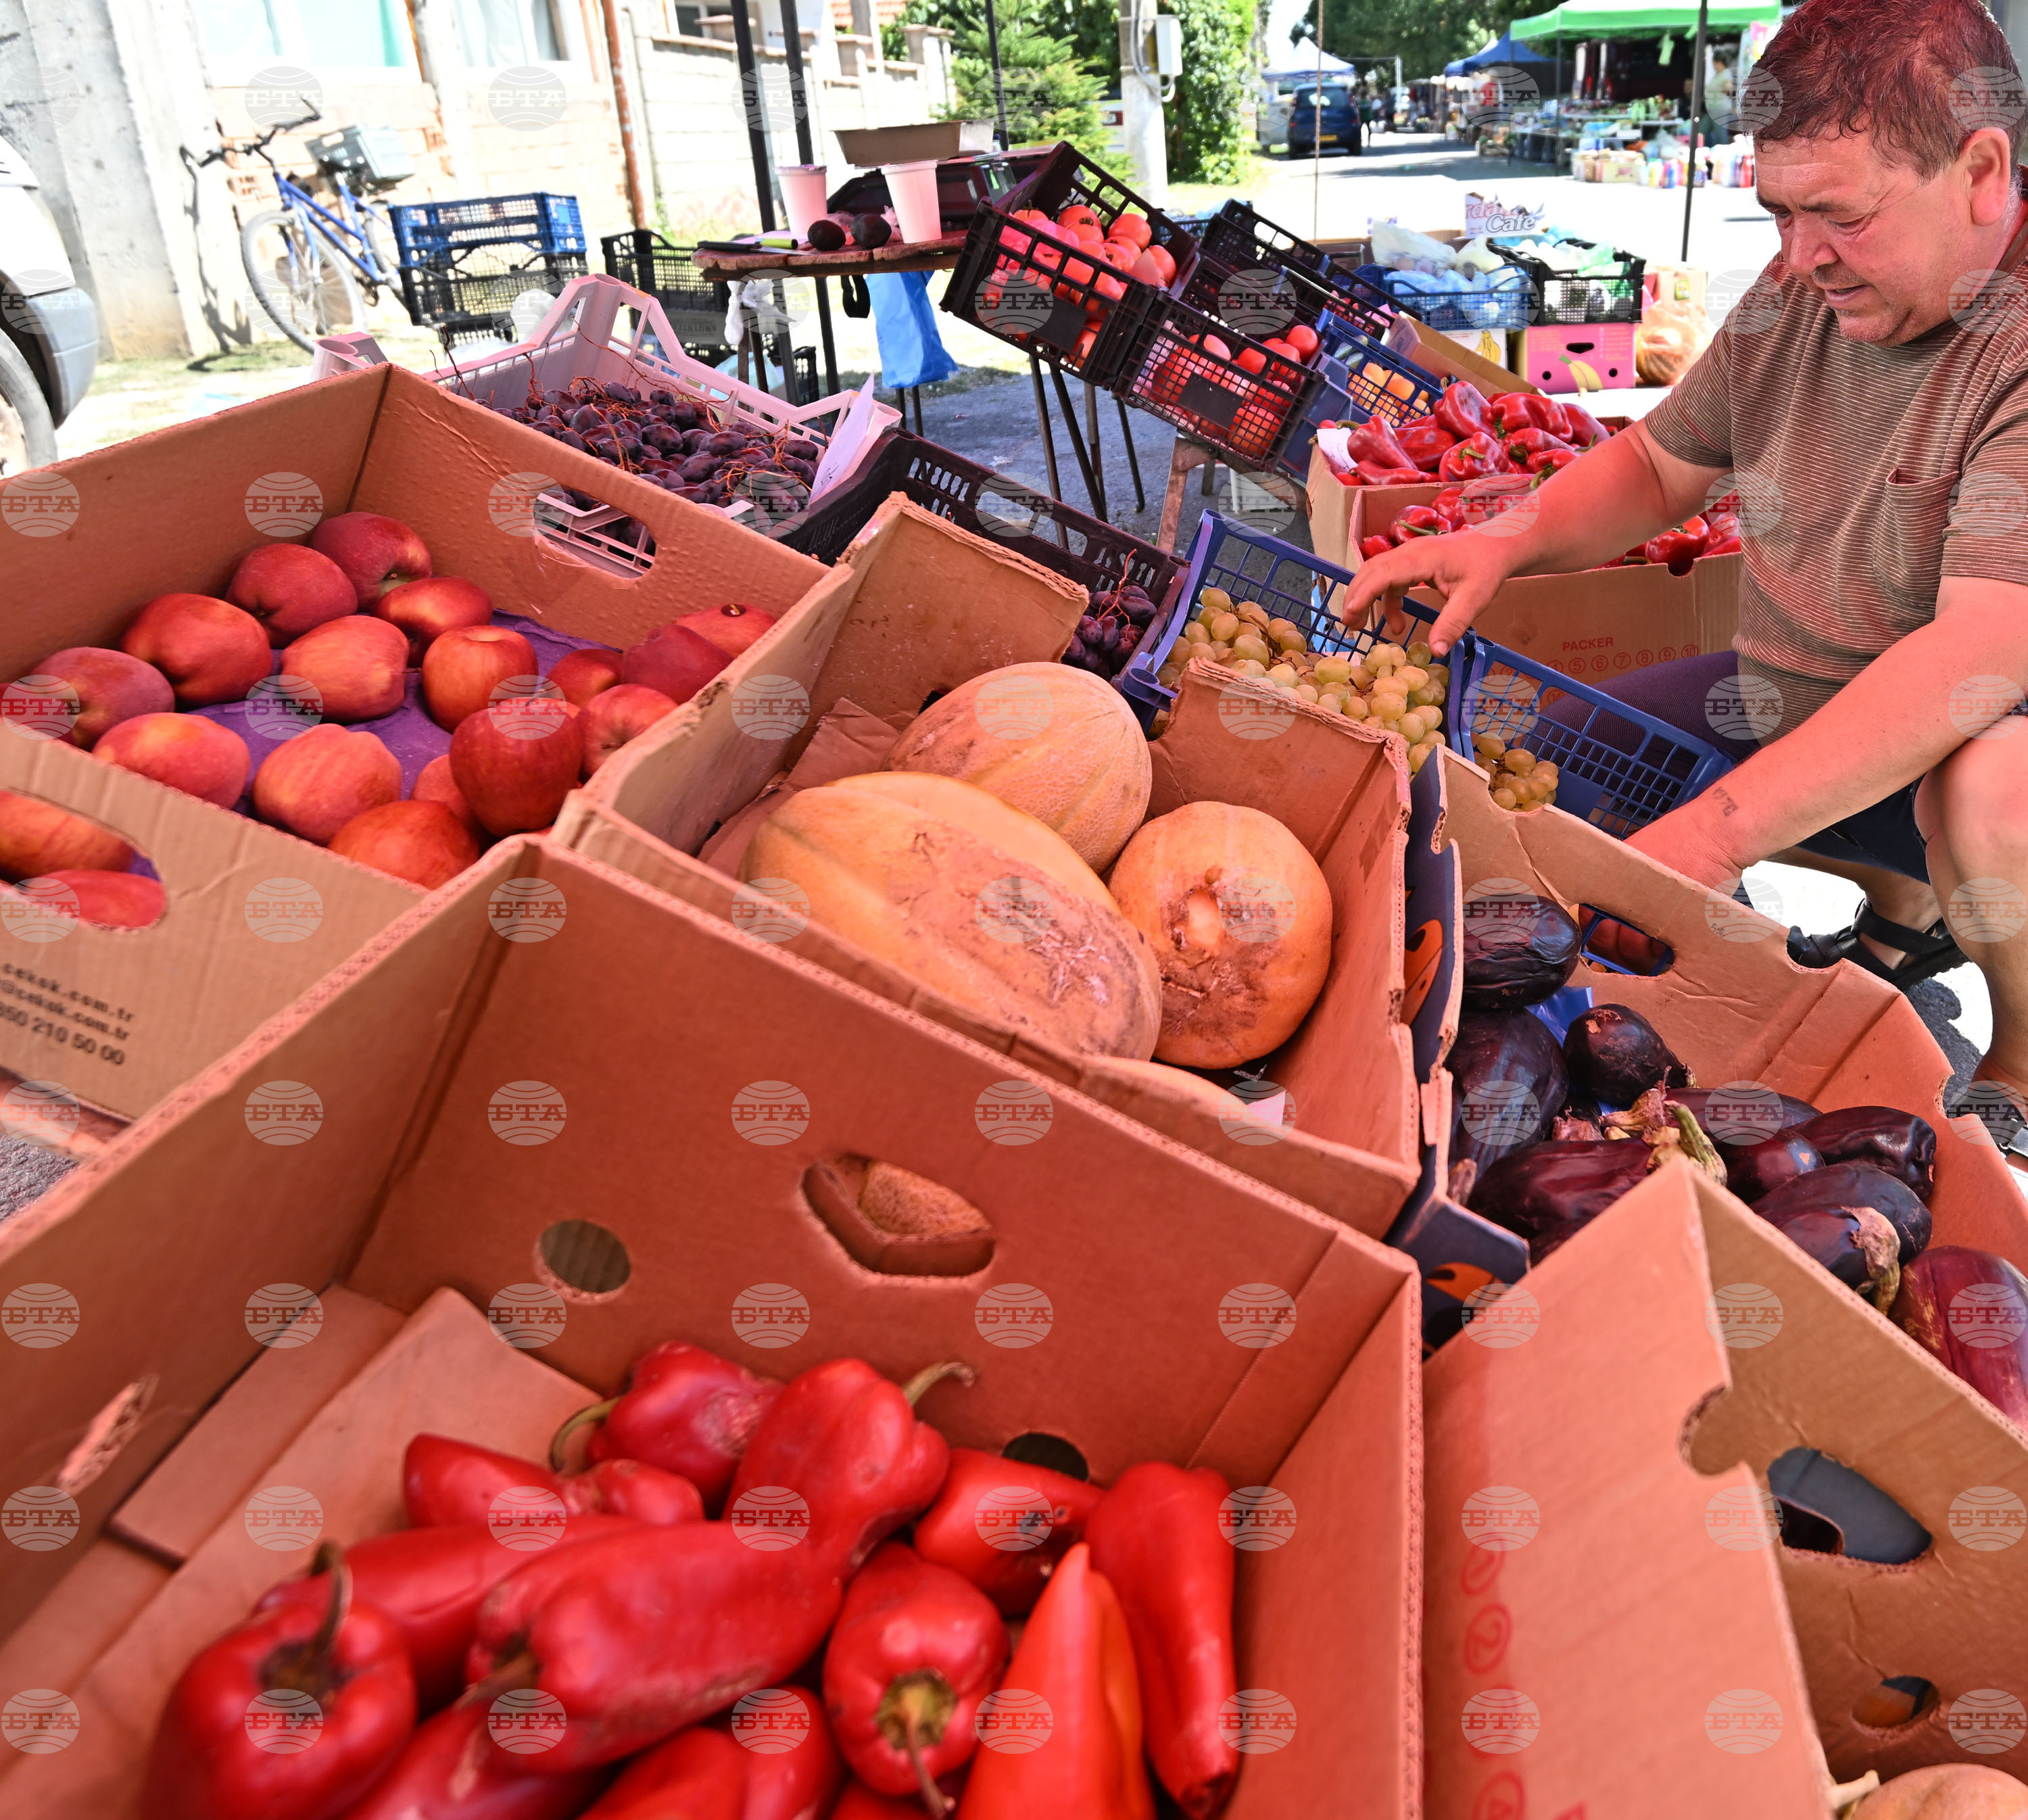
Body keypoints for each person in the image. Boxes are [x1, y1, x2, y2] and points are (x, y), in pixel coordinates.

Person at [1343, 0, 2028, 1118]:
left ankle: (2019, 1054)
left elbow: (1981, 654)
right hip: (1783, 690)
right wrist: (1503, 539)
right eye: (1778, 214)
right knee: (1524, 767)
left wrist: (1709, 843)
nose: (1801, 256)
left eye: (1839, 216)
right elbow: (1660, 469)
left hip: (1985, 735)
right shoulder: (1801, 286)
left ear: (1983, 170)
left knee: (1991, 795)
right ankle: (1911, 901)